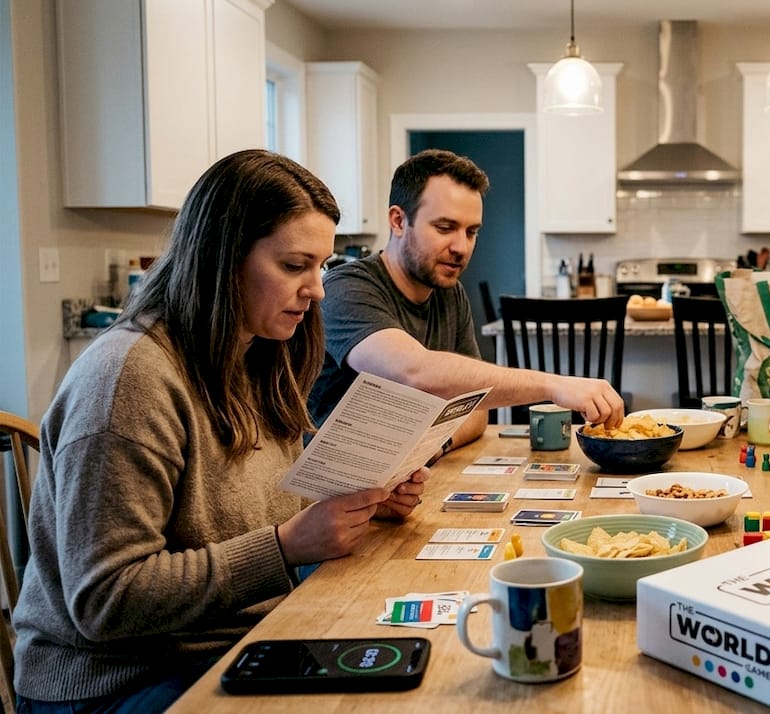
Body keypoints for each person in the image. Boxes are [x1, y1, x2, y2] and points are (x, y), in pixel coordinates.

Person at [12, 150, 427, 711]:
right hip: (114, 682)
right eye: (292, 266)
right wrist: (285, 547)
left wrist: (361, 499)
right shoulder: (128, 379)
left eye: (321, 267)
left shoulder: (257, 354)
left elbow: (249, 506)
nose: (317, 290)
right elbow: (106, 600)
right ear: (222, 259)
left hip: (240, 639)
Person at [308, 148, 625, 451]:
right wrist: (553, 386)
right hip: (322, 495)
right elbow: (413, 371)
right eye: (445, 227)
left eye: (471, 231)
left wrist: (430, 449)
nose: (462, 246)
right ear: (398, 221)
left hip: (395, 484)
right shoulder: (346, 288)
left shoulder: (449, 292)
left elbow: (473, 407)